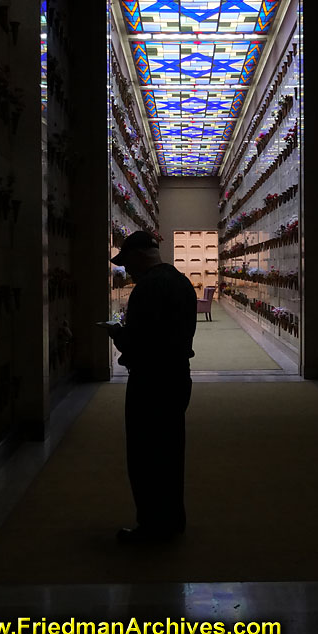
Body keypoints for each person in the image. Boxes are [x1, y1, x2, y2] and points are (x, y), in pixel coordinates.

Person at [106, 231, 197, 544]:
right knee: (170, 452)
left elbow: (144, 339)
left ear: (139, 254)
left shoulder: (148, 287)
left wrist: (118, 336)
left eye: (126, 262)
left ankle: (152, 527)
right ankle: (172, 520)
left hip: (151, 381)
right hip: (176, 376)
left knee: (146, 455)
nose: (125, 270)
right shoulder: (181, 281)